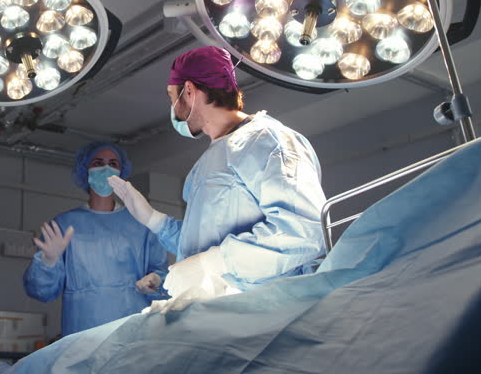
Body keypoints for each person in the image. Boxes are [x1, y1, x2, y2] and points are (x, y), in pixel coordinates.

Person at [109, 46, 326, 313]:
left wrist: (215, 263)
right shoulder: (204, 166)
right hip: (215, 315)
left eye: (171, 96)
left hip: (265, 315)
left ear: (188, 91)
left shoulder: (268, 141)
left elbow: (303, 232)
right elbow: (200, 247)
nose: (172, 107)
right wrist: (154, 220)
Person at [23, 142, 169, 336]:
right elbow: (41, 292)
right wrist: (47, 263)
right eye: (99, 162)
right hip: (82, 329)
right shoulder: (65, 225)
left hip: (133, 329)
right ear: (86, 170)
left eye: (113, 163)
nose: (106, 169)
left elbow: (164, 282)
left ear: (121, 172)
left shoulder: (140, 224)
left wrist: (157, 281)